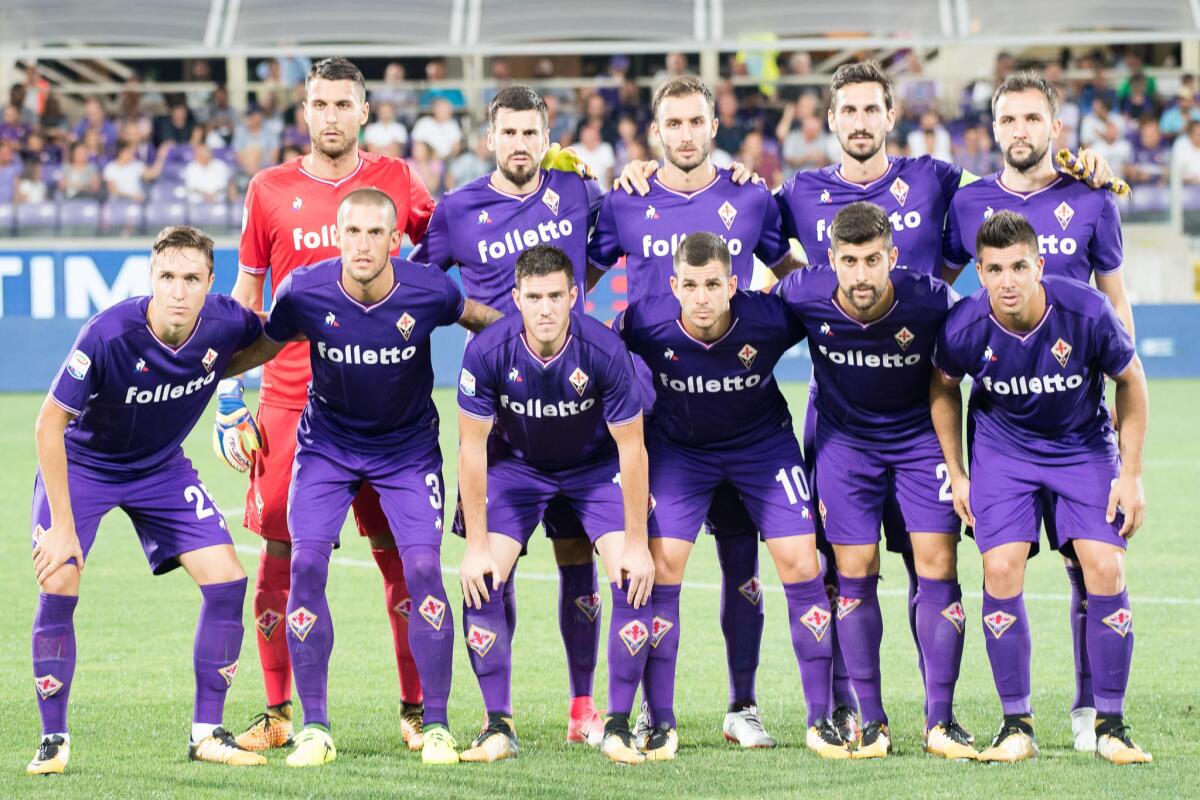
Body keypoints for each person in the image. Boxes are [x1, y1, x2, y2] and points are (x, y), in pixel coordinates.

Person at [226, 188, 502, 767]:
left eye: (376, 233)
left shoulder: (429, 289)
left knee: (423, 568)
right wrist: (209, 381)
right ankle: (314, 727)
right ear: (339, 235)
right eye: (352, 232)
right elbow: (259, 348)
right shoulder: (304, 291)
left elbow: (483, 321)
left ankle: (437, 726)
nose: (362, 244)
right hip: (326, 449)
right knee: (304, 564)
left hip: (407, 452)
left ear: (395, 241)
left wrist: (550, 348)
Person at [217, 56, 437, 755]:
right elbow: (247, 300)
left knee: (403, 559)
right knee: (281, 556)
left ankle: (416, 708)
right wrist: (230, 397)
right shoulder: (269, 189)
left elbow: (453, 248)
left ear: (365, 110)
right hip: (289, 404)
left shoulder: (398, 181)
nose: (332, 116)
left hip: (389, 408)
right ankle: (281, 710)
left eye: (344, 103)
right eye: (320, 103)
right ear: (304, 111)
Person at [590, 74, 805, 750]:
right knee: (658, 566)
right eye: (671, 123)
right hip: (660, 427)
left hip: (742, 414)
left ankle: (743, 707)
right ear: (656, 132)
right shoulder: (626, 200)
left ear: (715, 126)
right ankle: (657, 710)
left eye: (695, 122)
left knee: (743, 567)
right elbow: (578, 280)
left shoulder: (749, 195)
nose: (684, 134)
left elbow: (793, 267)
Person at [409, 84, 611, 744]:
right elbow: (425, 285)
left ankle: (584, 706)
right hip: (497, 415)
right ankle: (501, 717)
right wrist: (483, 321)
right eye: (509, 133)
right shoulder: (458, 209)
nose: (520, 144)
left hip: (577, 406)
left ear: (546, 136)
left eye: (532, 133)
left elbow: (607, 248)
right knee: (491, 565)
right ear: (489, 138)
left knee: (578, 554)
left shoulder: (577, 190)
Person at [26, 226, 267, 775]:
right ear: (150, 279)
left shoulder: (228, 321)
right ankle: (53, 738)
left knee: (228, 581)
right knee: (59, 576)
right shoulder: (108, 334)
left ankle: (207, 733)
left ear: (211, 283)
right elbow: (48, 425)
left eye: (190, 279)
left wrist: (227, 380)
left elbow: (275, 335)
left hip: (159, 466)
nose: (178, 291)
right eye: (167, 278)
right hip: (85, 464)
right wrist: (61, 526)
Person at [943, 71, 1135, 750]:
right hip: (1005, 417)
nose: (1019, 131)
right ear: (992, 129)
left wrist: (1123, 406)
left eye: (1032, 119)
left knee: (1093, 564)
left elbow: (1115, 302)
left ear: (1055, 128)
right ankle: (1018, 717)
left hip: (1079, 414)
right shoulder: (967, 204)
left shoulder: (1091, 195)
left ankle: (1091, 709)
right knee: (1005, 566)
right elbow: (934, 289)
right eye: (1008, 120)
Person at [930, 210, 1150, 765]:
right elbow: (942, 388)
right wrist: (957, 473)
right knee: (1000, 567)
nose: (1008, 280)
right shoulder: (964, 327)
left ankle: (1112, 725)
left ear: (1039, 266)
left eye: (1019, 267)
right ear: (978, 272)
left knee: (1106, 566)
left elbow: (1131, 379)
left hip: (1082, 445)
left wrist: (1131, 474)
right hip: (1004, 452)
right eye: (995, 269)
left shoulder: (1086, 309)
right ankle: (1015, 726)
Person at [613, 232, 840, 760]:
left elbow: (822, 299)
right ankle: (659, 719)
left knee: (801, 562)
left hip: (761, 450)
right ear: (674, 285)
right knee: (662, 567)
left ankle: (813, 720)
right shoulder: (644, 321)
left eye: (713, 284)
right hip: (680, 454)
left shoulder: (768, 319)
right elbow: (599, 349)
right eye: (690, 285)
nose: (702, 297)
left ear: (733, 285)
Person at [774, 202, 973, 760]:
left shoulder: (933, 300)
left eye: (871, 261)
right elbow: (752, 324)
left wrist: (960, 470)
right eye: (848, 261)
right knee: (855, 570)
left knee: (938, 564)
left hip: (918, 443)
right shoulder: (803, 294)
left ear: (893, 256)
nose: (860, 275)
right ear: (830, 260)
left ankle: (940, 720)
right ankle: (873, 722)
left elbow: (960, 367)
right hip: (845, 447)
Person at [456, 245, 653, 764]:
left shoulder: (605, 351)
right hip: (518, 468)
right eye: (534, 298)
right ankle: (498, 724)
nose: (545, 309)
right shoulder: (486, 352)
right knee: (482, 581)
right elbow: (471, 447)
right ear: (516, 298)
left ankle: (614, 724)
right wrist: (475, 546)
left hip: (592, 469)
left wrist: (637, 542)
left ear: (574, 297)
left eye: (556, 297)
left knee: (633, 577)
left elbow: (632, 447)